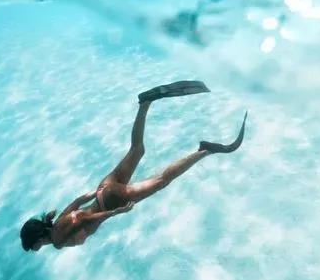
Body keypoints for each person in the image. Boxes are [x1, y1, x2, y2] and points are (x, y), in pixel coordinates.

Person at [20, 81, 247, 251]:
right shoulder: (58, 220)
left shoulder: (58, 240)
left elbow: (83, 219)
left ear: (37, 240)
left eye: (32, 246)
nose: (34, 249)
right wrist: (98, 192)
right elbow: (78, 202)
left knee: (162, 181)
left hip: (111, 201)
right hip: (103, 190)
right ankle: (145, 103)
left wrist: (114, 212)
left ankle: (205, 150)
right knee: (137, 149)